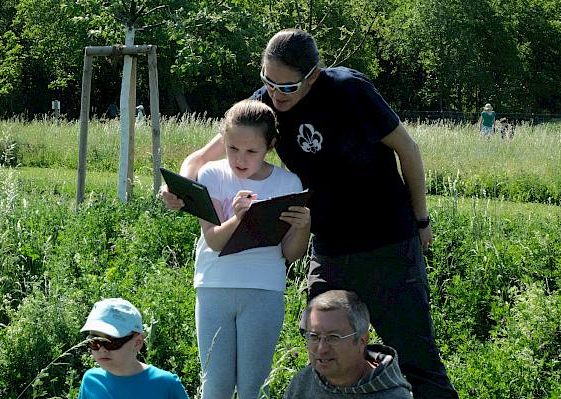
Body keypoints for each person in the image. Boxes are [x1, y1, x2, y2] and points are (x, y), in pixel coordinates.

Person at [160, 29, 457, 399]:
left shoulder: (349, 90)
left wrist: (421, 220)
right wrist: (179, 189)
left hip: (388, 243)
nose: (276, 94)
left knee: (415, 358)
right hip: (329, 248)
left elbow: (408, 150)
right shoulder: (265, 108)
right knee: (324, 353)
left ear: (313, 75)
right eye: (269, 82)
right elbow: (200, 158)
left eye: (287, 87)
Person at [193, 99, 311, 399]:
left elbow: (291, 254)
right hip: (214, 287)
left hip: (264, 290)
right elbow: (215, 241)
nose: (240, 159)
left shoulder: (288, 182)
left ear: (270, 145)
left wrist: (303, 225)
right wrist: (239, 218)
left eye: (251, 151)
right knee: (215, 386)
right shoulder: (211, 175)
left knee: (254, 387)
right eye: (232, 148)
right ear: (223, 140)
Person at [284, 290, 412, 398]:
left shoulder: (393, 395)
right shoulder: (303, 382)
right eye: (314, 336)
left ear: (362, 341)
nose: (322, 348)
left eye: (333, 337)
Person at [78, 298, 189, 399]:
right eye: (94, 341)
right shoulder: (91, 381)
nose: (102, 350)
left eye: (112, 342)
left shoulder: (166, 384)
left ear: (137, 342)